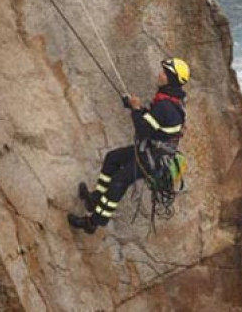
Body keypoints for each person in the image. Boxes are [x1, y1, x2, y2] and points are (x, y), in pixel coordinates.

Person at [68, 58, 190, 234]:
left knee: (119, 181)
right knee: (112, 158)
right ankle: (95, 198)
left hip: (153, 158)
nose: (160, 74)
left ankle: (93, 222)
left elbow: (143, 130)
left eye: (164, 72)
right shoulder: (172, 101)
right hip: (152, 152)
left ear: (171, 78)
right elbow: (153, 122)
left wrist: (135, 109)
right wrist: (137, 108)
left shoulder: (165, 105)